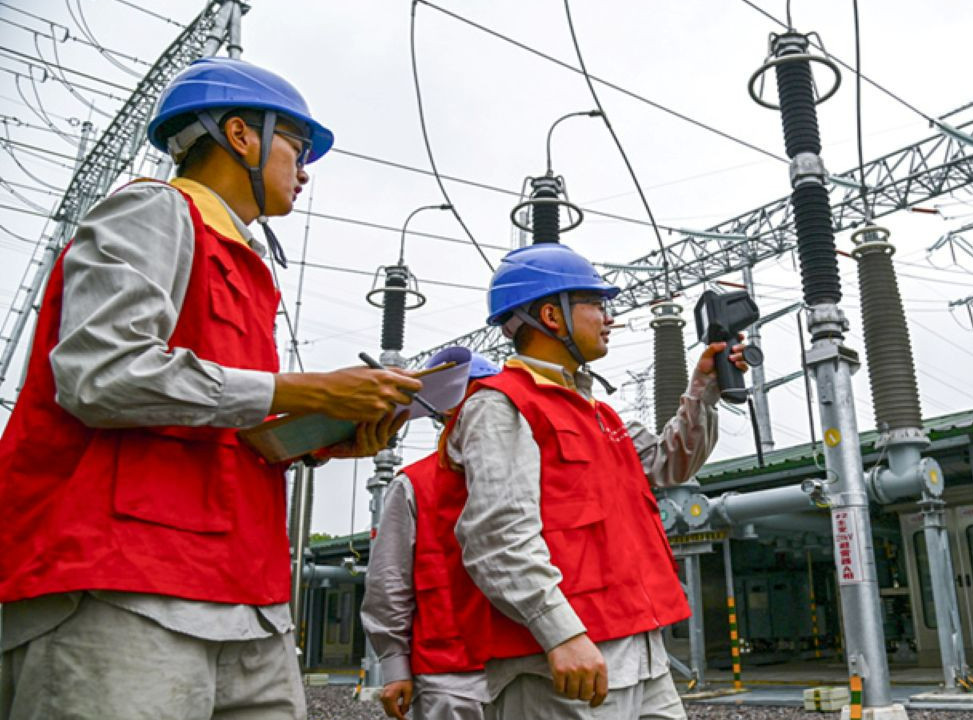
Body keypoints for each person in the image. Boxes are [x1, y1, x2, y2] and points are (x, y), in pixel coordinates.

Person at [0, 57, 422, 720]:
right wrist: (309, 391)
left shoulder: (251, 270)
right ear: (241, 135)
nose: (305, 169)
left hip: (247, 596)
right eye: (297, 145)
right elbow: (101, 374)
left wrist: (323, 436)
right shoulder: (150, 212)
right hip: (123, 584)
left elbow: (218, 412)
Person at [443, 243, 749, 719]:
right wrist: (560, 632)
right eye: (597, 305)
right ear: (552, 315)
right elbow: (497, 538)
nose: (609, 318)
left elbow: (671, 465)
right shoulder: (501, 406)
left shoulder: (600, 414)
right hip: (562, 663)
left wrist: (703, 389)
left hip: (643, 654)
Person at [361, 352, 502, 720]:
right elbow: (388, 582)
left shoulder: (531, 474)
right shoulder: (413, 485)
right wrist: (395, 666)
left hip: (526, 665)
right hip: (449, 677)